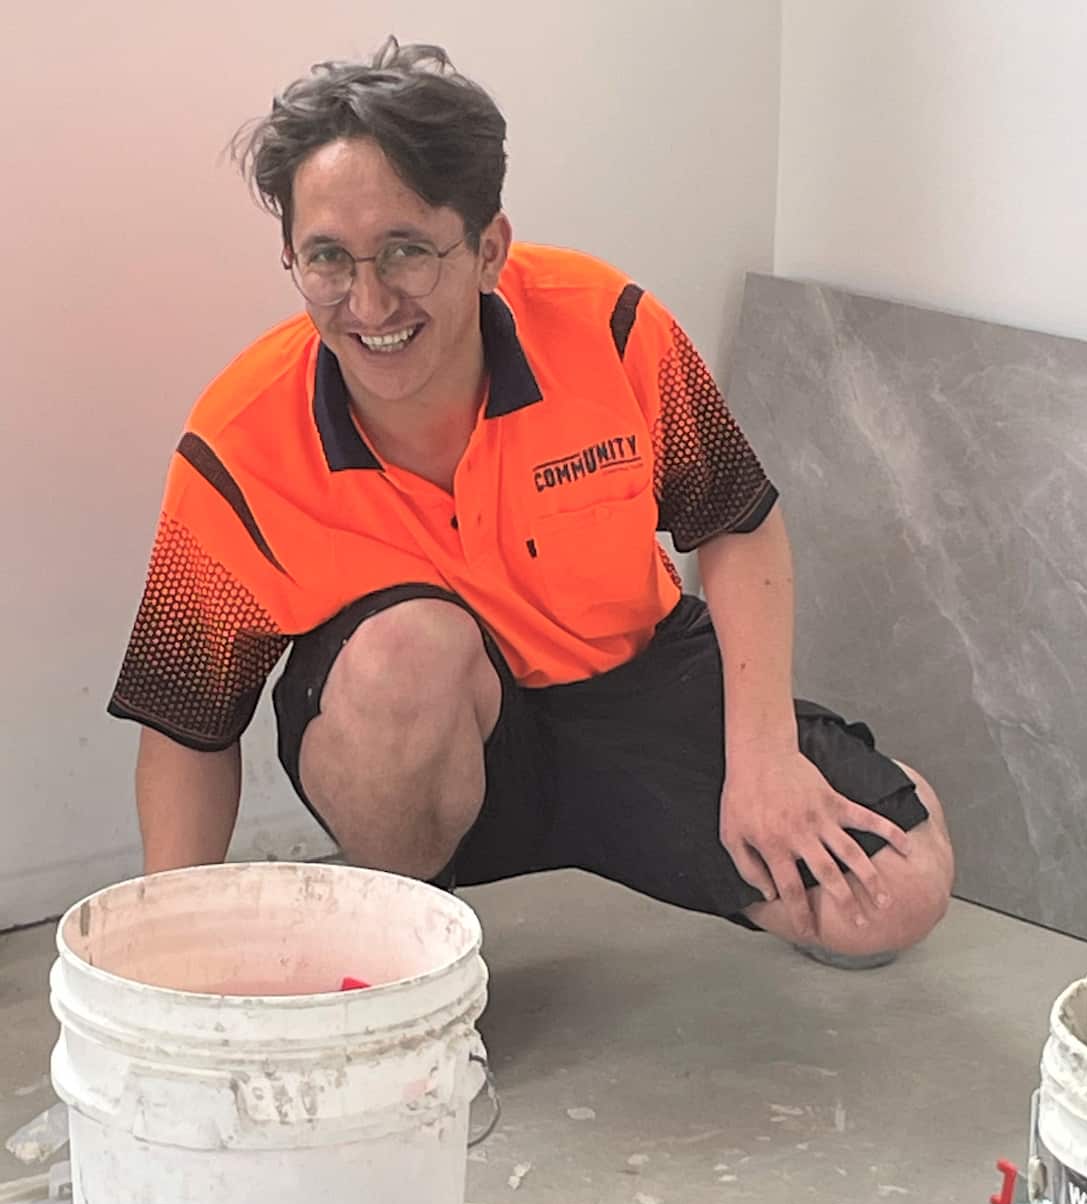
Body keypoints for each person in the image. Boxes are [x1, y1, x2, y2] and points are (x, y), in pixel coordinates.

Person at [109, 39, 953, 964]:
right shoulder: (238, 443)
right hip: (428, 738)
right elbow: (187, 722)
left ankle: (795, 792)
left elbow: (736, 525)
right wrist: (165, 954)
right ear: (292, 258)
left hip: (636, 688)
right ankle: (410, 944)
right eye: (328, 259)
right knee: (405, 654)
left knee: (891, 896)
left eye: (406, 251)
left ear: (488, 250)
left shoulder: (609, 326)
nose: (369, 302)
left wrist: (764, 759)